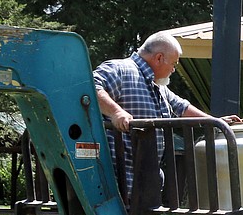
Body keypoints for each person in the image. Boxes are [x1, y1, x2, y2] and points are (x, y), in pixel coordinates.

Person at [93, 34, 231, 197]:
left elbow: (181, 107)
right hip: (119, 186)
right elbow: (91, 87)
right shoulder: (120, 69)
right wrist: (116, 112)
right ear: (159, 58)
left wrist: (214, 122)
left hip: (145, 185)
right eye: (173, 64)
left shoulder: (157, 86)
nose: (173, 70)